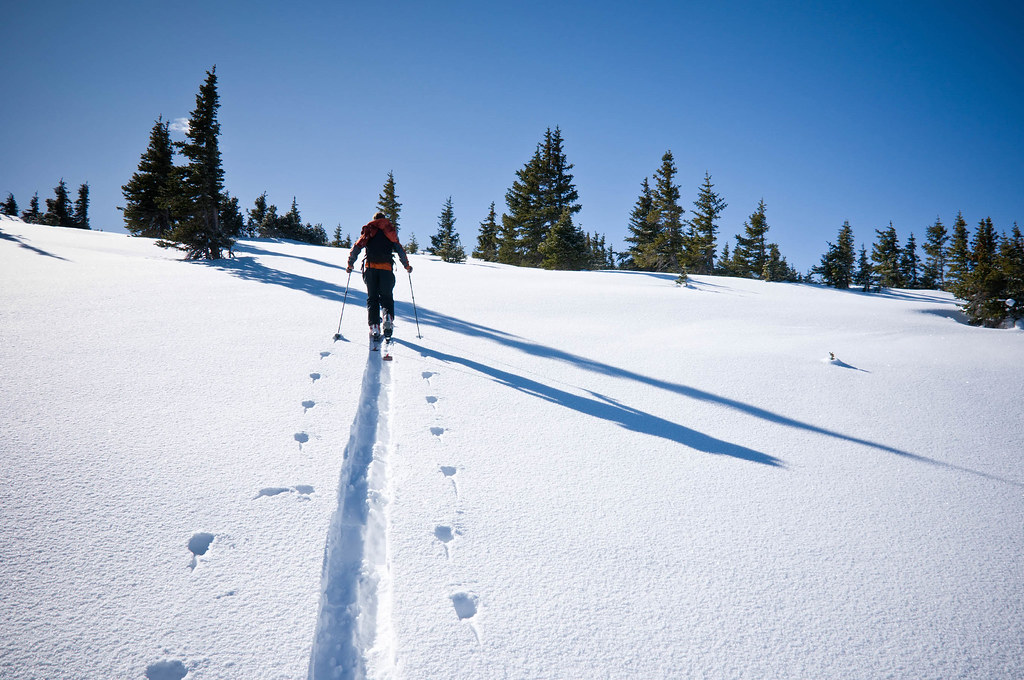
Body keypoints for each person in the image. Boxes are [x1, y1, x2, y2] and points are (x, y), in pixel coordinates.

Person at [347, 211, 413, 348]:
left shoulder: (370, 230)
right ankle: (387, 318)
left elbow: (357, 247)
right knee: (387, 297)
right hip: (386, 270)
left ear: (374, 219)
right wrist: (406, 265)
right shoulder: (389, 231)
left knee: (372, 298)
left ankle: (374, 326)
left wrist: (350, 263)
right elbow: (400, 250)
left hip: (370, 269)